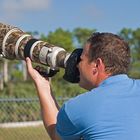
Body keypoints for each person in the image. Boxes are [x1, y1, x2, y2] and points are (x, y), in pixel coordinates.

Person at [26, 32, 140, 140]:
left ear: (97, 64)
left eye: (81, 59)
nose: (77, 65)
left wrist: (42, 85)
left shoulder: (77, 107)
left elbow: (57, 135)